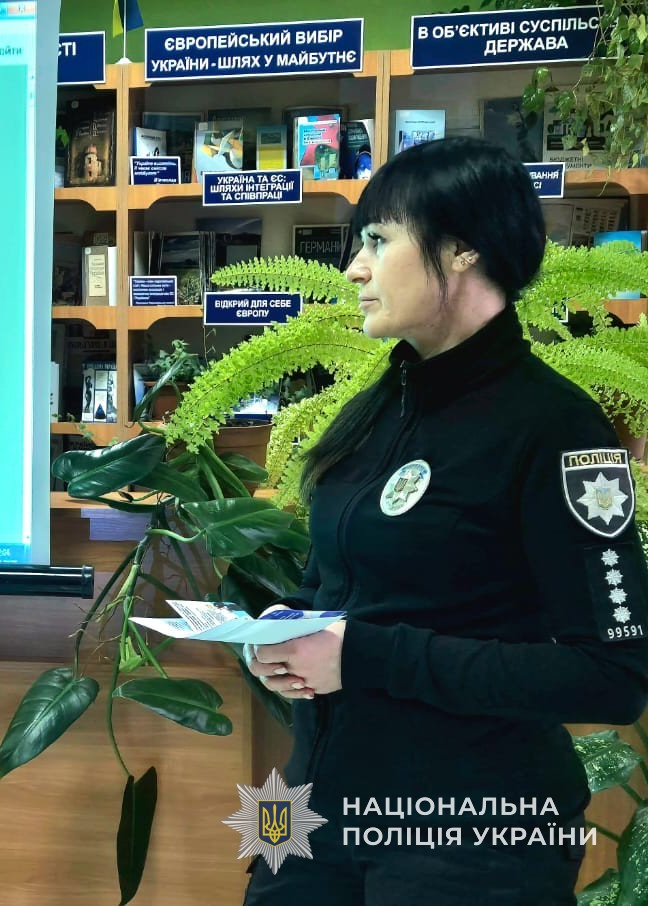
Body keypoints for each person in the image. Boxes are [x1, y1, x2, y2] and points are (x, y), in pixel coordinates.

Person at [241, 137, 648, 905]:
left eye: (378, 240)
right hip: (311, 819)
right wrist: (279, 638)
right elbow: (332, 594)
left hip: (473, 837)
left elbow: (611, 679)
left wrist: (363, 656)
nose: (354, 269)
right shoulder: (371, 414)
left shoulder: (558, 430)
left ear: (464, 248)